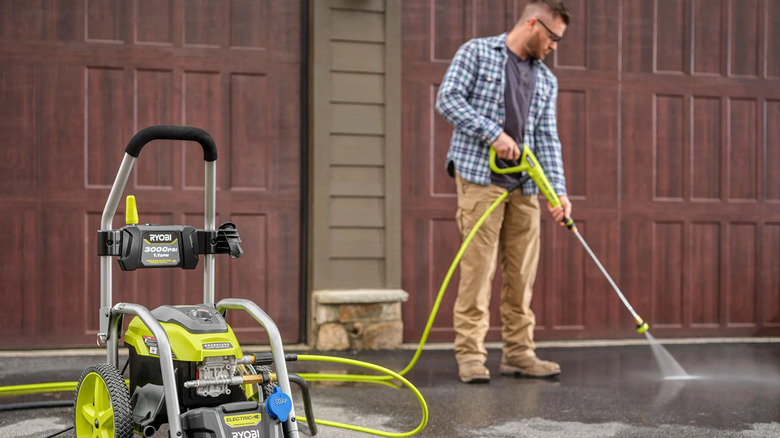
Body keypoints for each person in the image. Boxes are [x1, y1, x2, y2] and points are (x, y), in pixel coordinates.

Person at [435, 0, 572, 383]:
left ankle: (519, 354)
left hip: (525, 186)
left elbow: (547, 139)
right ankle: (471, 357)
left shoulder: (546, 79)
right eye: (553, 37)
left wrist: (557, 192)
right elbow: (447, 99)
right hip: (480, 179)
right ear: (533, 24)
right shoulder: (477, 52)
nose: (554, 46)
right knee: (478, 272)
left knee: (522, 276)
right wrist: (492, 133)